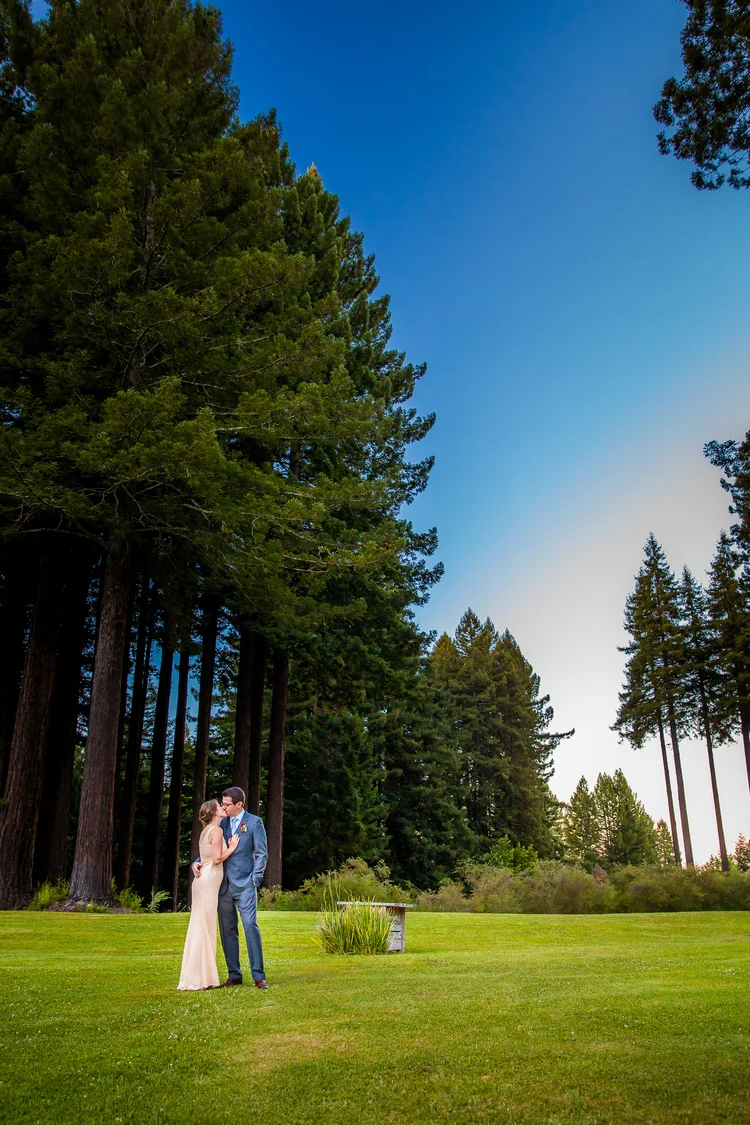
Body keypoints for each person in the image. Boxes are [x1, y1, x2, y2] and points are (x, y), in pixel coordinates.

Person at [191, 786, 268, 989]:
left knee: (250, 926)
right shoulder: (220, 823)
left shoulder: (254, 822)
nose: (223, 807)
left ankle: (259, 976)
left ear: (239, 804)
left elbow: (261, 853)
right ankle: (234, 975)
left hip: (245, 885)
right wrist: (197, 862)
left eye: (227, 804)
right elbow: (212, 848)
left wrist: (255, 879)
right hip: (222, 885)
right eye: (222, 804)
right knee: (227, 930)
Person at [177, 799, 238, 990]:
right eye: (219, 806)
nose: (223, 808)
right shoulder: (217, 830)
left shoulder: (205, 831)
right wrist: (232, 847)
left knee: (199, 925)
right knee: (206, 926)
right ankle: (202, 978)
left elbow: (205, 857)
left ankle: (197, 976)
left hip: (201, 880)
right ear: (214, 813)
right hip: (209, 881)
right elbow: (217, 858)